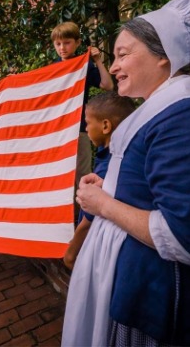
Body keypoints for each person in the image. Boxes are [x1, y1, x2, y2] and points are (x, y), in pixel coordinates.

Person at [62, 0, 190, 346]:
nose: (113, 67)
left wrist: (103, 204)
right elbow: (154, 184)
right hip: (140, 285)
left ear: (164, 56)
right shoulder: (162, 110)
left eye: (122, 54)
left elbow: (184, 237)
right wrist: (111, 186)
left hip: (161, 302)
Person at [63, 91, 135, 270]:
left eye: (87, 123)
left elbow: (89, 219)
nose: (86, 129)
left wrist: (71, 253)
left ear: (105, 126)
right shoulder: (124, 156)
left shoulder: (106, 167)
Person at [51, 22, 114, 219]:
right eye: (58, 44)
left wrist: (97, 60)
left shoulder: (84, 66)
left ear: (78, 43)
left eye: (67, 43)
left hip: (79, 129)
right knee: (60, 177)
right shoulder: (52, 69)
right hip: (58, 131)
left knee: (82, 175)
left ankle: (84, 219)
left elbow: (107, 85)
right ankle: (66, 220)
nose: (62, 48)